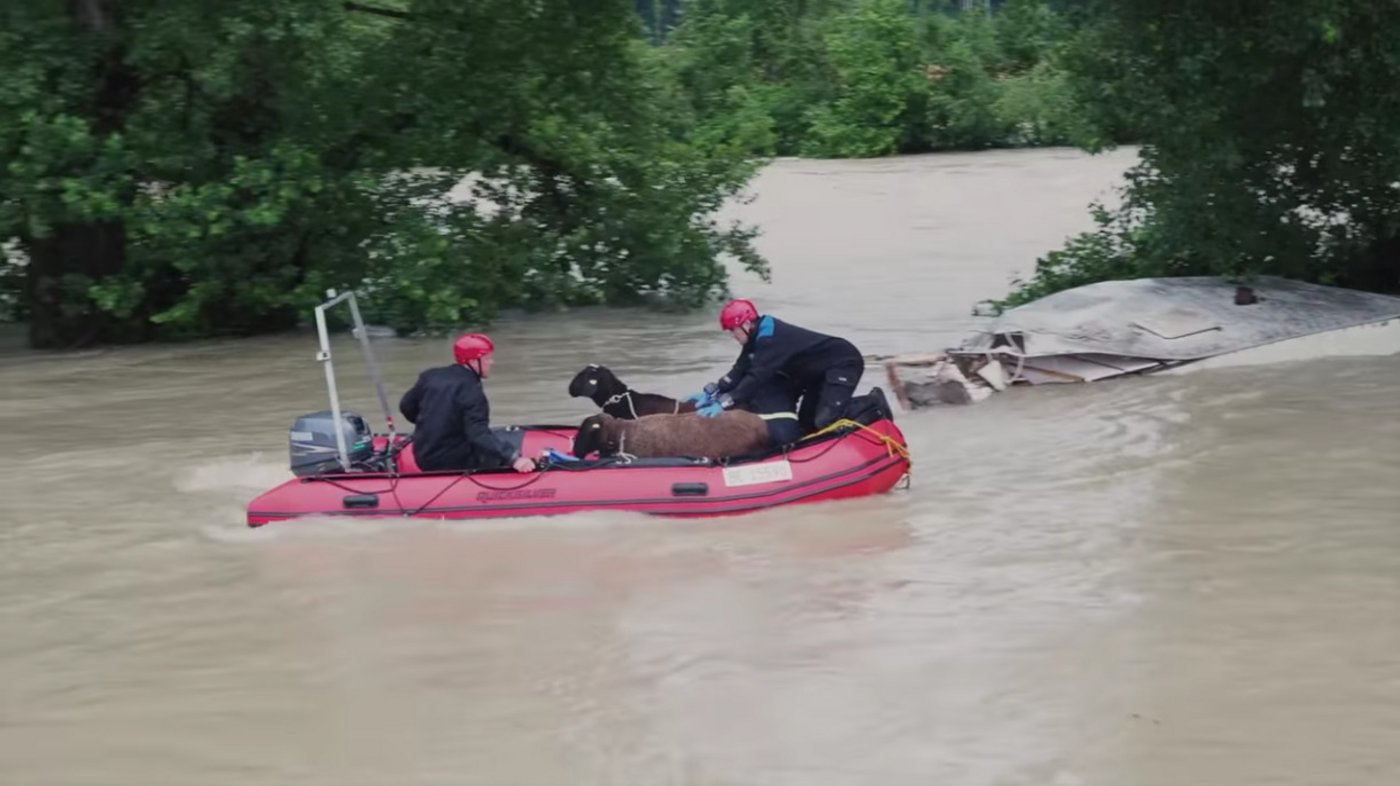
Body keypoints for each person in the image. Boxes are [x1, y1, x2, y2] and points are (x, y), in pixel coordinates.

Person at [686, 299, 864, 438]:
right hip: (817, 374)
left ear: (746, 324)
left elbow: (756, 378)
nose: (733, 335)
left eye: (733, 330)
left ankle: (869, 410)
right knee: (807, 424)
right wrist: (715, 390)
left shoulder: (770, 340)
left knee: (826, 420)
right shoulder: (757, 337)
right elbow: (740, 369)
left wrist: (725, 403)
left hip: (843, 363)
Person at [399, 333, 536, 473]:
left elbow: (406, 406)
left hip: (423, 456)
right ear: (472, 361)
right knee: (499, 454)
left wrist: (432, 424)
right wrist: (513, 458)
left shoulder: (430, 376)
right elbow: (478, 434)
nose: (491, 362)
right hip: (451, 462)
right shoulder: (472, 391)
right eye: (487, 358)